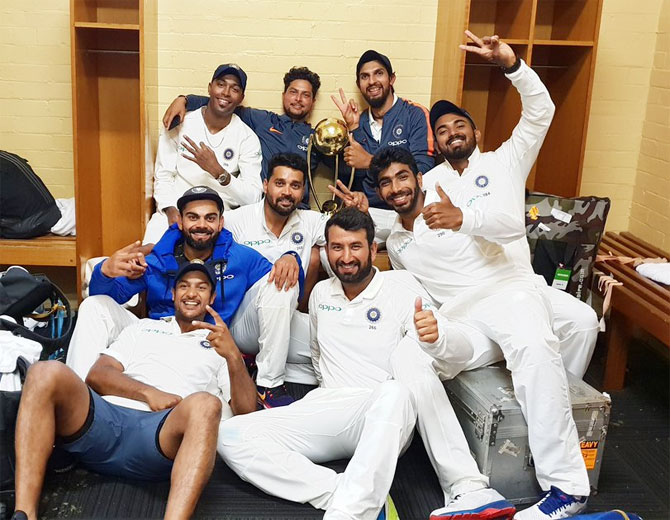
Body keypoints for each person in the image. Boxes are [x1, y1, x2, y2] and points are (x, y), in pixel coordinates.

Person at [218, 208, 515, 520]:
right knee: (231, 435)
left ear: (373, 249)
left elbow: (459, 352)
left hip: (382, 412)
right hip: (328, 406)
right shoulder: (321, 293)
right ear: (327, 251)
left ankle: (351, 512)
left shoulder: (401, 286)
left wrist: (439, 337)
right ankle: (342, 490)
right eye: (337, 247)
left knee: (396, 390)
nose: (346, 257)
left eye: (355, 247)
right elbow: (318, 355)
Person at [11, 262, 257, 520]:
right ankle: (24, 513)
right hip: (105, 423)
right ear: (173, 293)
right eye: (184, 286)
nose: (192, 293)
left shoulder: (220, 347)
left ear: (212, 297)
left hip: (159, 436)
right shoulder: (142, 327)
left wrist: (233, 357)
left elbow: (246, 409)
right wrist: (148, 392)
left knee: (207, 404)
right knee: (44, 371)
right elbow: (98, 374)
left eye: (201, 287)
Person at [422, 31, 599, 380]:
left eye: (460, 125)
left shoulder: (506, 160)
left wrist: (512, 66)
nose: (452, 132)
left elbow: (540, 112)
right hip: (470, 296)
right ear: (436, 143)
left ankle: (565, 392)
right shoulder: (429, 183)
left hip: (521, 286)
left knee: (584, 322)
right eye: (442, 130)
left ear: (477, 134)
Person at [66, 186, 302, 408]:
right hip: (159, 330)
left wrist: (292, 258)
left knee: (281, 283)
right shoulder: (157, 259)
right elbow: (107, 298)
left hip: (216, 334)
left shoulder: (240, 257)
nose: (201, 225)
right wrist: (104, 272)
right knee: (92, 305)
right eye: (193, 217)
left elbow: (281, 286)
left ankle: (268, 385)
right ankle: (75, 401)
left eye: (210, 218)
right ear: (179, 221)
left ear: (221, 223)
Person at [223, 152, 328, 383]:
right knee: (280, 282)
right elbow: (195, 230)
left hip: (286, 317)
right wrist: (149, 249)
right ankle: (268, 384)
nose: (287, 192)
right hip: (244, 322)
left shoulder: (310, 221)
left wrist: (359, 210)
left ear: (303, 192)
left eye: (295, 186)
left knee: (332, 338)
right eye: (280, 183)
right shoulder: (239, 219)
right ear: (265, 184)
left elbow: (345, 231)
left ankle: (329, 395)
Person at [162, 66, 322, 207]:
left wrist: (349, 128)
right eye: (293, 92)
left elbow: (342, 170)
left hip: (299, 209)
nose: (298, 99)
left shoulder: (320, 138)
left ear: (313, 101)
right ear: (284, 95)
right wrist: (184, 100)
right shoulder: (263, 120)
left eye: (306, 95)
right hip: (265, 208)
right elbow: (221, 102)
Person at [144, 63, 263, 244]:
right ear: (210, 87)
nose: (225, 92)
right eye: (221, 84)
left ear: (241, 98)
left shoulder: (247, 138)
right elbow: (163, 175)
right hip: (177, 207)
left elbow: (253, 197)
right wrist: (169, 209)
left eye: (234, 89)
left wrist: (219, 172)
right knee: (149, 257)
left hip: (220, 216)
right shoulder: (181, 122)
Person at [331, 50, 435, 209]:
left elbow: (424, 168)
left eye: (378, 73)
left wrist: (371, 162)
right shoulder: (360, 121)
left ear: (391, 79)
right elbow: (356, 179)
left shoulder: (415, 113)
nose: (372, 81)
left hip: (407, 209)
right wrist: (354, 127)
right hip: (368, 211)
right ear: (359, 85)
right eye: (365, 77)